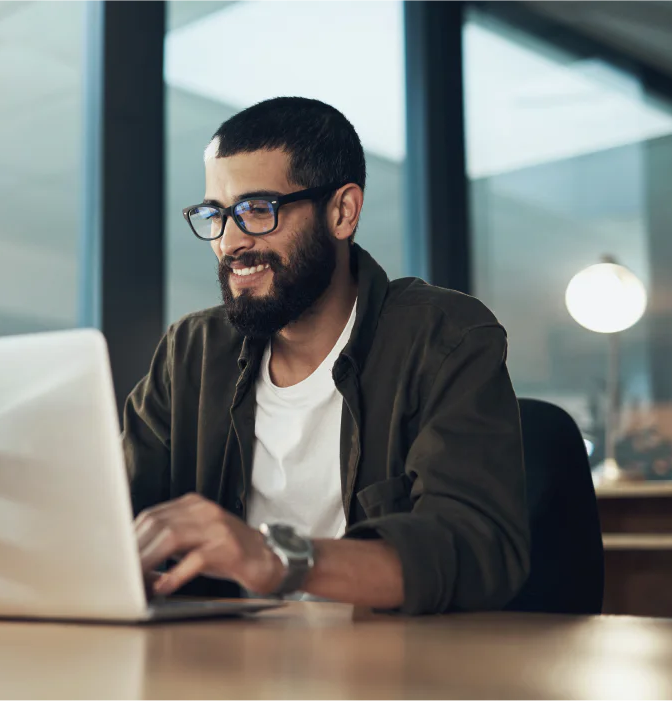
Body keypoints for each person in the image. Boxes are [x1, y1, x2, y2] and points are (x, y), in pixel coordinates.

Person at [125, 97, 530, 614]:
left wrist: (277, 559)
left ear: (342, 212)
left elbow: (477, 548)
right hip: (220, 663)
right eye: (216, 214)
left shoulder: (444, 337)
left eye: (256, 210)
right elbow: (113, 513)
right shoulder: (192, 352)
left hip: (390, 668)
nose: (228, 242)